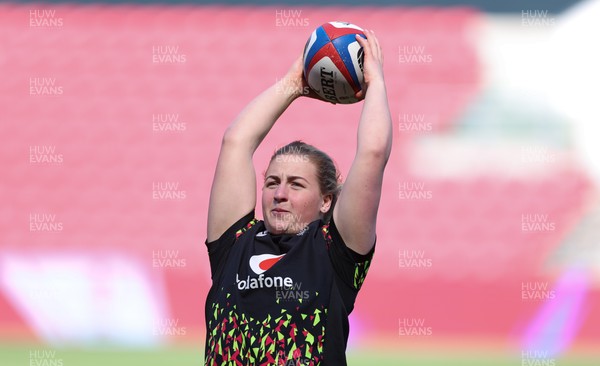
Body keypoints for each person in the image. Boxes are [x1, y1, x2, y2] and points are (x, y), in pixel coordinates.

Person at [204, 30, 392, 366]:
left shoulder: (336, 253)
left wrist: (375, 82)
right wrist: (294, 83)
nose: (279, 194)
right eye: (272, 182)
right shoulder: (234, 242)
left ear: (326, 201)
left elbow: (373, 153)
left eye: (296, 185)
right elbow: (236, 141)